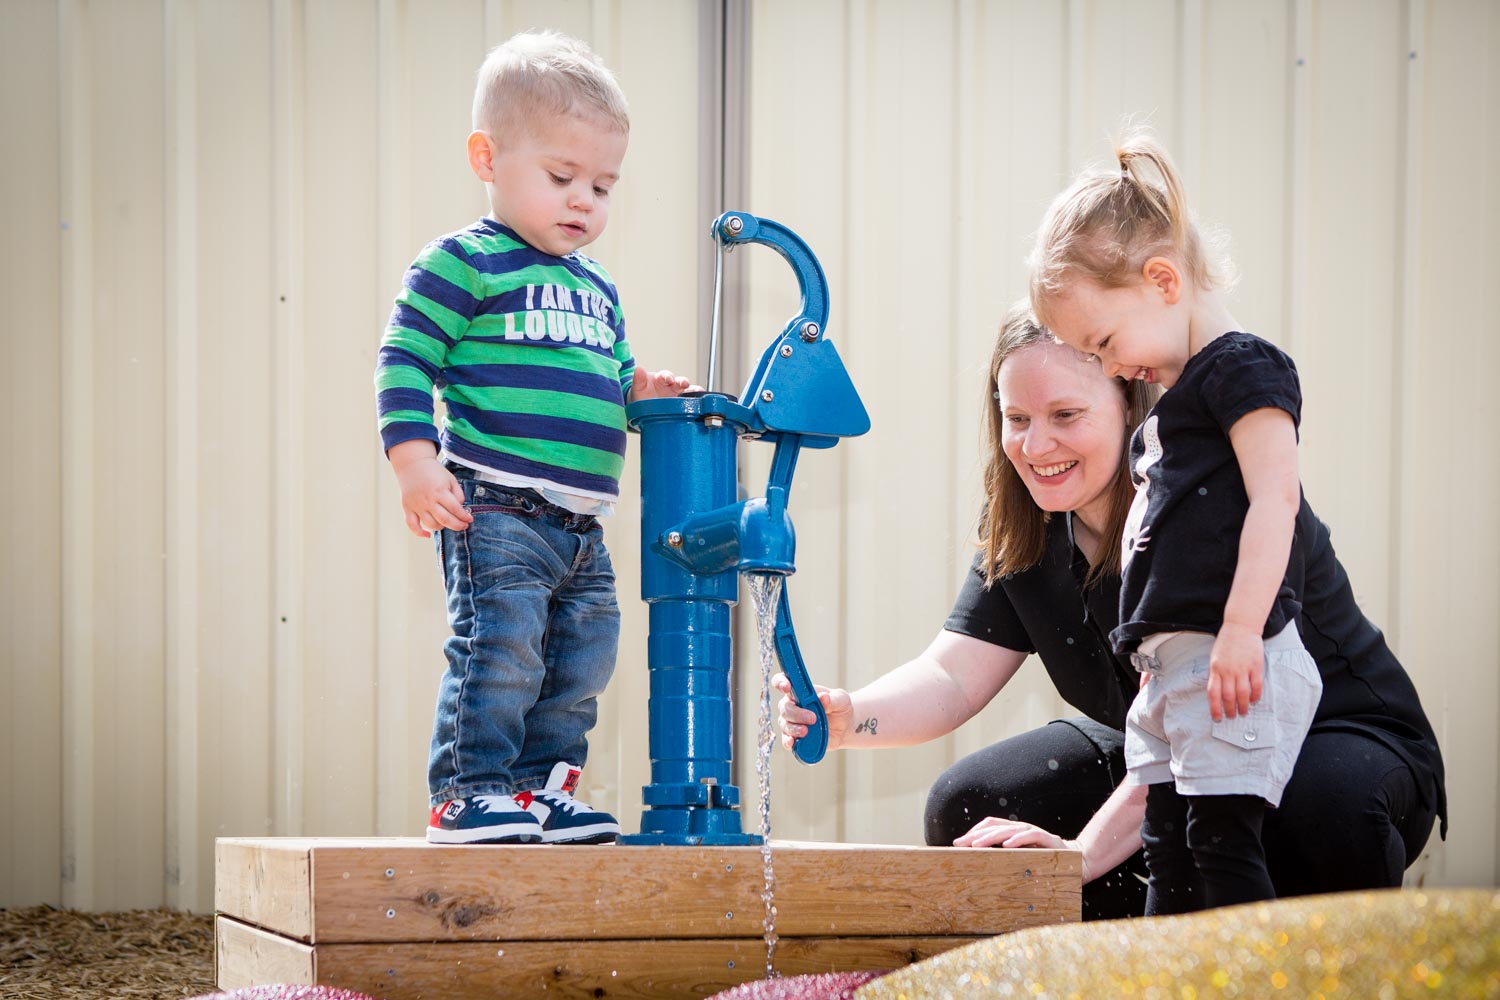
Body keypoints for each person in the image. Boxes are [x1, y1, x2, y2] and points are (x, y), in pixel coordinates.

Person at [776, 303, 1445, 920]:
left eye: (1066, 416)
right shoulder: (1027, 529)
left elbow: (1201, 720)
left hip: (1327, 739)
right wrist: (847, 717)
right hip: (1166, 738)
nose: (1036, 446)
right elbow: (952, 677)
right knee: (973, 811)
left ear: (1132, 407)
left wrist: (1083, 852)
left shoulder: (1201, 506)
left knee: (1319, 806)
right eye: (1018, 419)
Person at [374, 31, 691, 845]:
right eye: (562, 177)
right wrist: (415, 461)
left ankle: (538, 789)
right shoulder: (463, 263)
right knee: (502, 653)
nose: (584, 200)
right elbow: (406, 357)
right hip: (497, 511)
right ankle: (468, 788)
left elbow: (609, 378)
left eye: (603, 185)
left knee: (583, 660)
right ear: (487, 157)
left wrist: (639, 392)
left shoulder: (599, 288)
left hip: (581, 526)